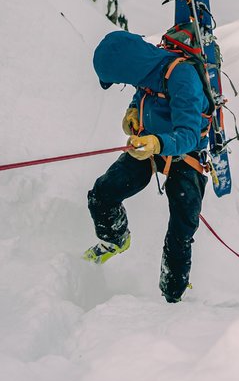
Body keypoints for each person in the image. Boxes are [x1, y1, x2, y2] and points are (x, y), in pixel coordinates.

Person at [83, 29, 211, 302]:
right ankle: (115, 239)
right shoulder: (146, 69)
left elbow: (188, 134)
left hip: (185, 154)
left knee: (181, 229)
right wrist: (132, 112)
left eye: (120, 79)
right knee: (102, 194)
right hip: (149, 147)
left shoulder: (182, 77)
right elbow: (142, 93)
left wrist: (156, 143)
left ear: (129, 68)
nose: (124, 83)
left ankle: (172, 297)